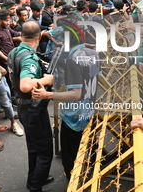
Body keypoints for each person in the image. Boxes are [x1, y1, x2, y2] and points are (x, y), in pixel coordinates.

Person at [32, 25, 100, 180]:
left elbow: (76, 94)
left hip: (74, 117)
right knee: (88, 145)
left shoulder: (72, 59)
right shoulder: (93, 53)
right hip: (89, 110)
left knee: (70, 156)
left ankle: (74, 182)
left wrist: (47, 95)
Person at [8, 20, 54, 192]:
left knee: (34, 147)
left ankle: (34, 178)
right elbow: (25, 85)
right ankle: (35, 186)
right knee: (45, 152)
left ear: (21, 36)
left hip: (24, 108)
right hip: (34, 109)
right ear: (40, 36)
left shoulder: (14, 51)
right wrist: (46, 80)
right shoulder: (29, 58)